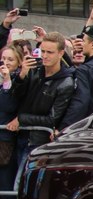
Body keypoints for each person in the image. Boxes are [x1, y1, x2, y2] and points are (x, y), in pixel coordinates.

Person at [8, 32, 76, 171]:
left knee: (20, 185)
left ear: (61, 53)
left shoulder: (66, 82)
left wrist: (21, 118)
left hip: (39, 142)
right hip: (19, 136)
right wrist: (21, 76)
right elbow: (15, 96)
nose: (44, 56)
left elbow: (52, 119)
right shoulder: (34, 70)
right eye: (43, 51)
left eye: (50, 52)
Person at [0, 45, 20, 199]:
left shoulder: (15, 84)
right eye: (3, 59)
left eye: (10, 60)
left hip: (6, 145)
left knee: (6, 190)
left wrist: (7, 81)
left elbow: (8, 107)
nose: (5, 64)